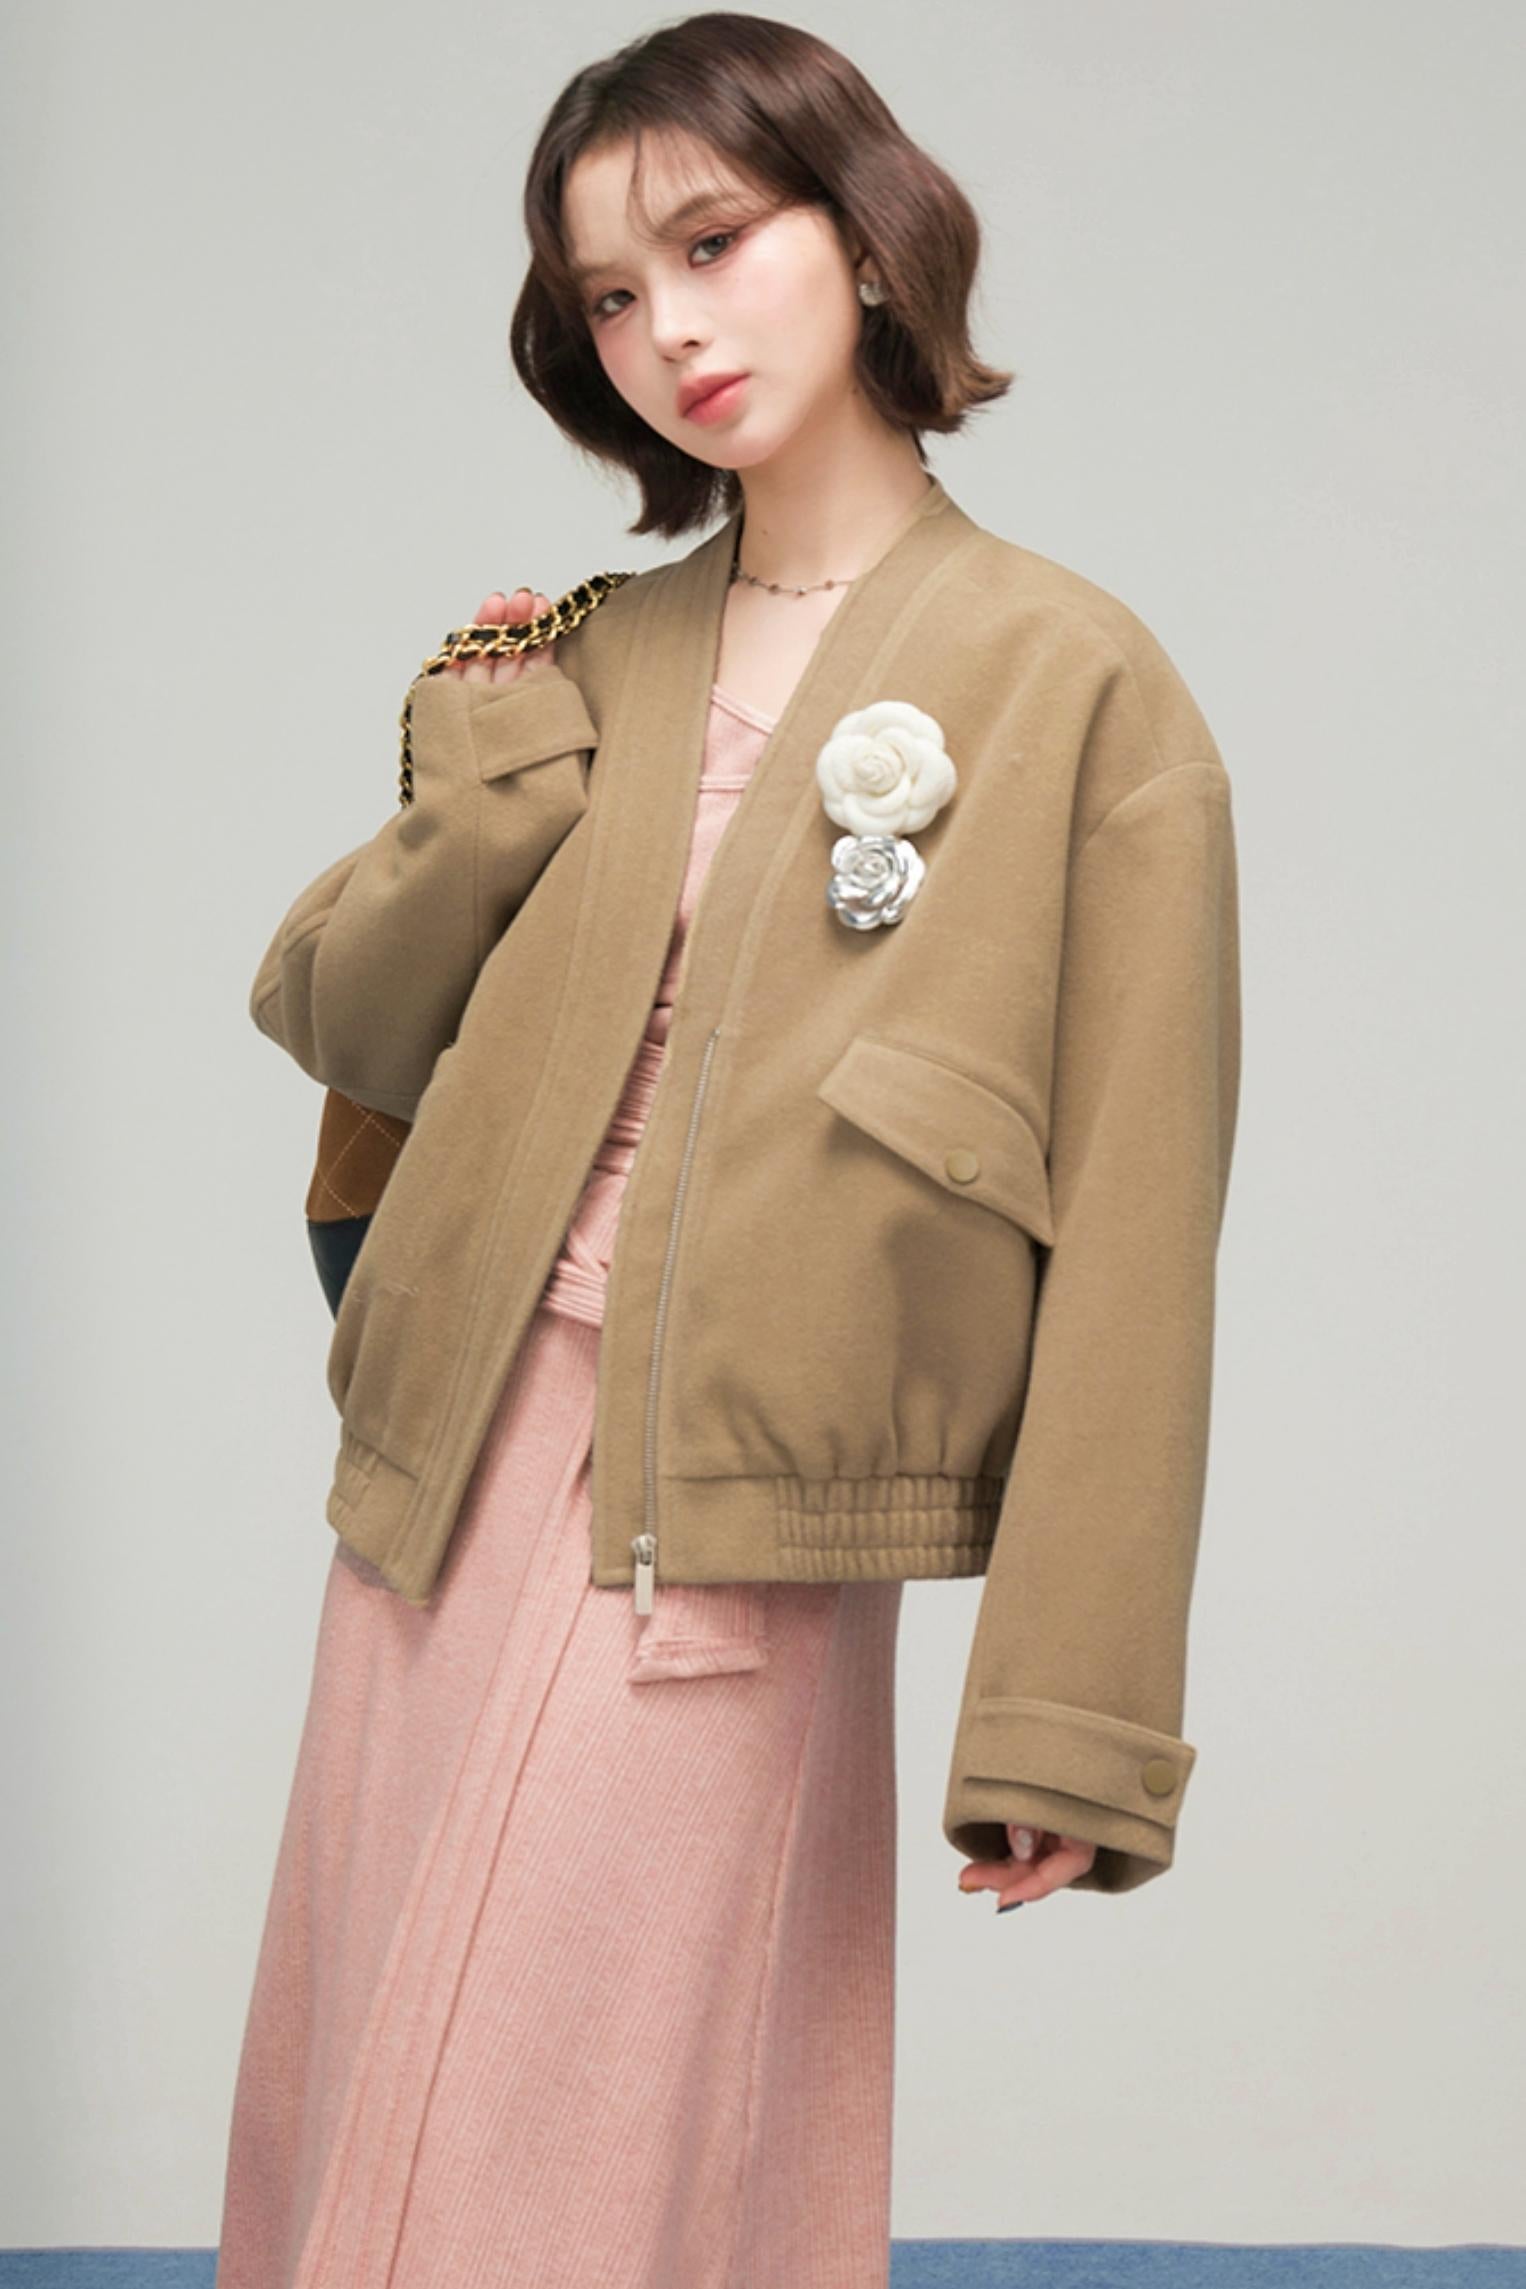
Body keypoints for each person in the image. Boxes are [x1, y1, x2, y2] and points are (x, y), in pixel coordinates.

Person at [217, 13, 1241, 2287]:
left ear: (862, 238)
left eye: (709, 241)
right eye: (607, 292)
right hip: (447, 1458)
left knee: (601, 2125)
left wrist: (1070, 1715)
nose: (664, 326)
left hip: (733, 1511)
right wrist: (492, 781)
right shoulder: (572, 654)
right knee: (387, 2071)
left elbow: (1139, 1221)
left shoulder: (1075, 679)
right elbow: (343, 1021)